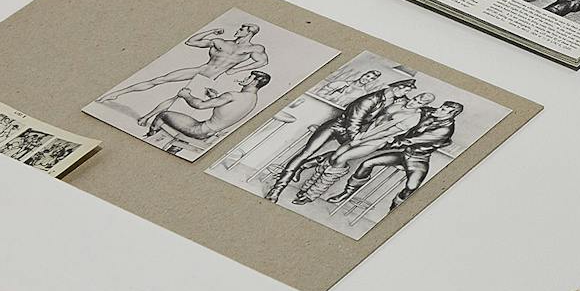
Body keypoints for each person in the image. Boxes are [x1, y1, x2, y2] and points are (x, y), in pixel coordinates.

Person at [264, 76, 416, 203]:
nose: (405, 93)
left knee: (340, 158)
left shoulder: (394, 101)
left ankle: (304, 169)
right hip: (337, 127)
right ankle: (277, 188)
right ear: (396, 87)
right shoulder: (372, 99)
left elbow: (404, 110)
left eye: (407, 91)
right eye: (404, 89)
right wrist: (356, 138)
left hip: (353, 135)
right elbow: (354, 120)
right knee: (306, 152)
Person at [101, 22, 267, 116]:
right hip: (201, 69)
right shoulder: (221, 41)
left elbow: (262, 62)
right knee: (160, 79)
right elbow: (191, 42)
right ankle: (116, 93)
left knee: (178, 97)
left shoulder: (254, 48)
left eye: (241, 29)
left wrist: (236, 70)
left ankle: (147, 117)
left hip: (210, 78)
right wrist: (210, 31)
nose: (237, 31)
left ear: (249, 32)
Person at [325, 99, 462, 207]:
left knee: (411, 187)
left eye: (443, 110)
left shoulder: (444, 130)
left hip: (418, 160)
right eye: (441, 107)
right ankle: (346, 193)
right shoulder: (430, 112)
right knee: (367, 163)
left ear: (450, 114)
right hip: (403, 154)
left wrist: (390, 142)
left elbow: (411, 140)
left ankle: (393, 212)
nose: (438, 109)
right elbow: (411, 107)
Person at [143, 69, 270, 154]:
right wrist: (215, 98)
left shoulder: (232, 95)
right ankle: (174, 149)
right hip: (210, 133)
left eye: (249, 77)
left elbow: (199, 105)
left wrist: (186, 95)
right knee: (190, 124)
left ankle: (150, 137)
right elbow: (228, 110)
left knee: (163, 115)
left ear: (254, 82)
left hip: (199, 130)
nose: (245, 78)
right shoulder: (252, 99)